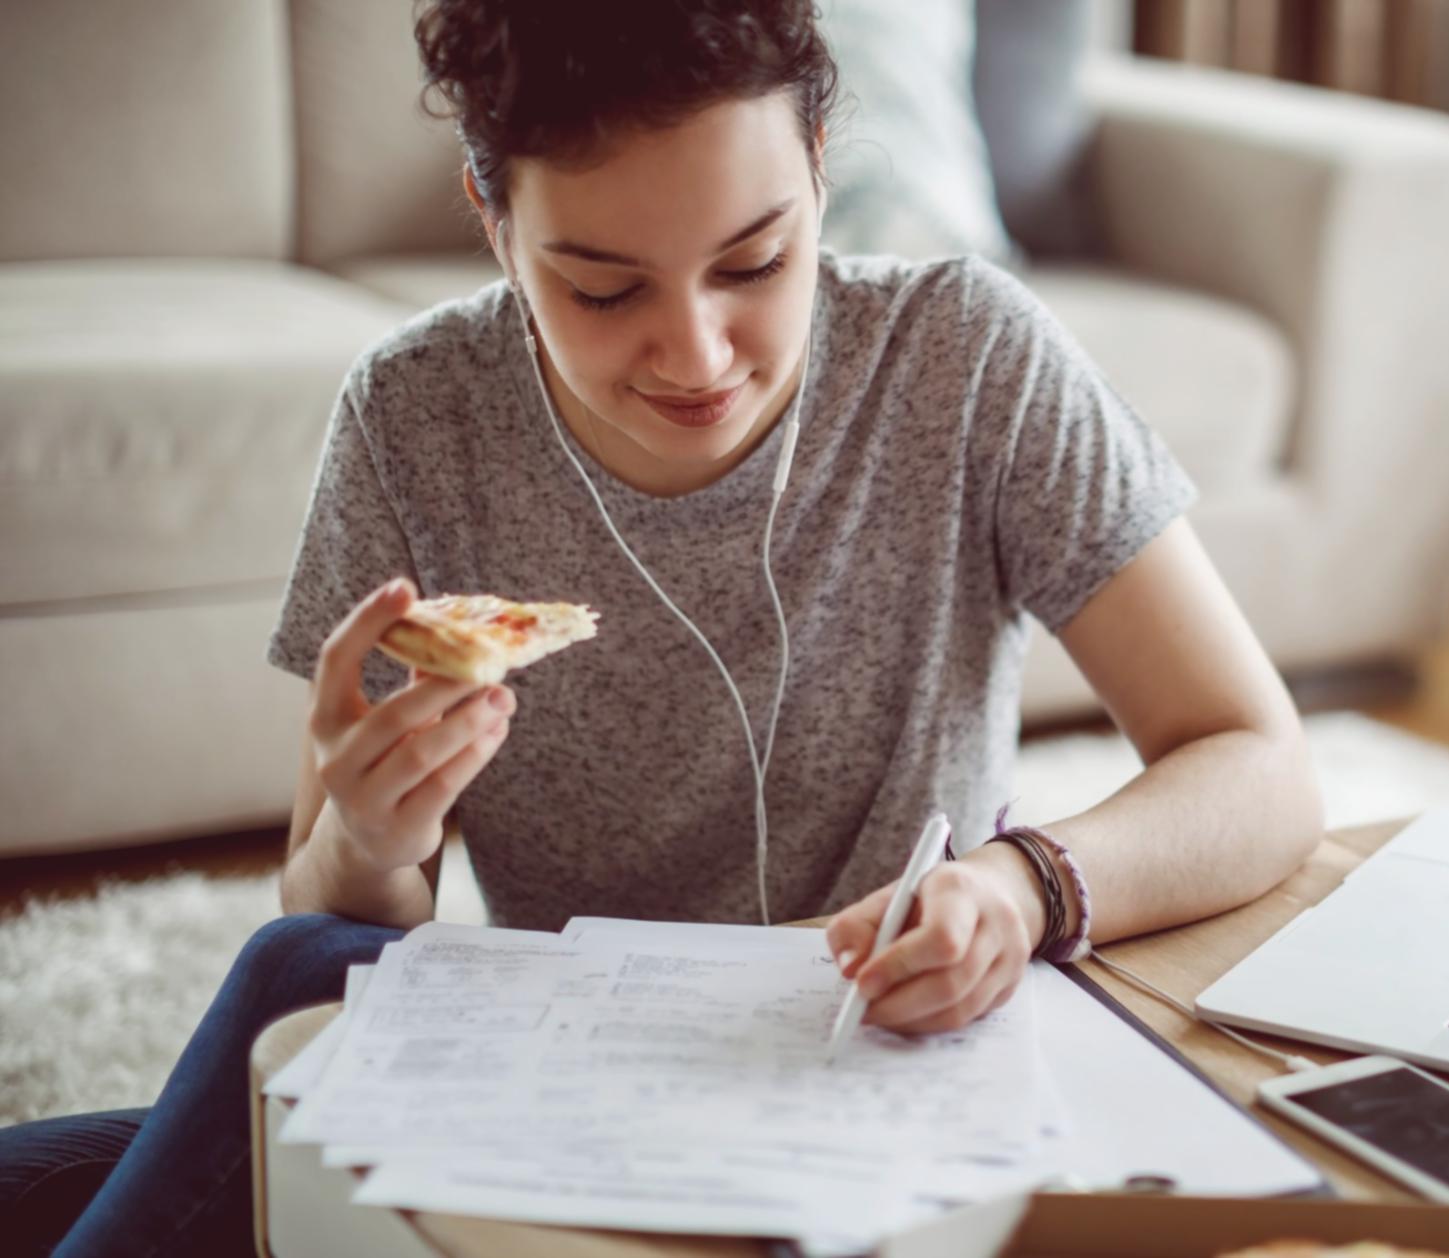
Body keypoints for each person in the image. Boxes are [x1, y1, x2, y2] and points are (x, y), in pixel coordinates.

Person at [0, 2, 1323, 1252]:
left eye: (755, 260)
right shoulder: (417, 418)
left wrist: (1022, 887)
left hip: (875, 1067)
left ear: (817, 164)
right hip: (565, 1094)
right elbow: (333, 917)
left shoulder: (966, 360)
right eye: (603, 290)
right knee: (286, 975)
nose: (697, 357)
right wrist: (370, 833)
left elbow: (1259, 762)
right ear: (494, 219)